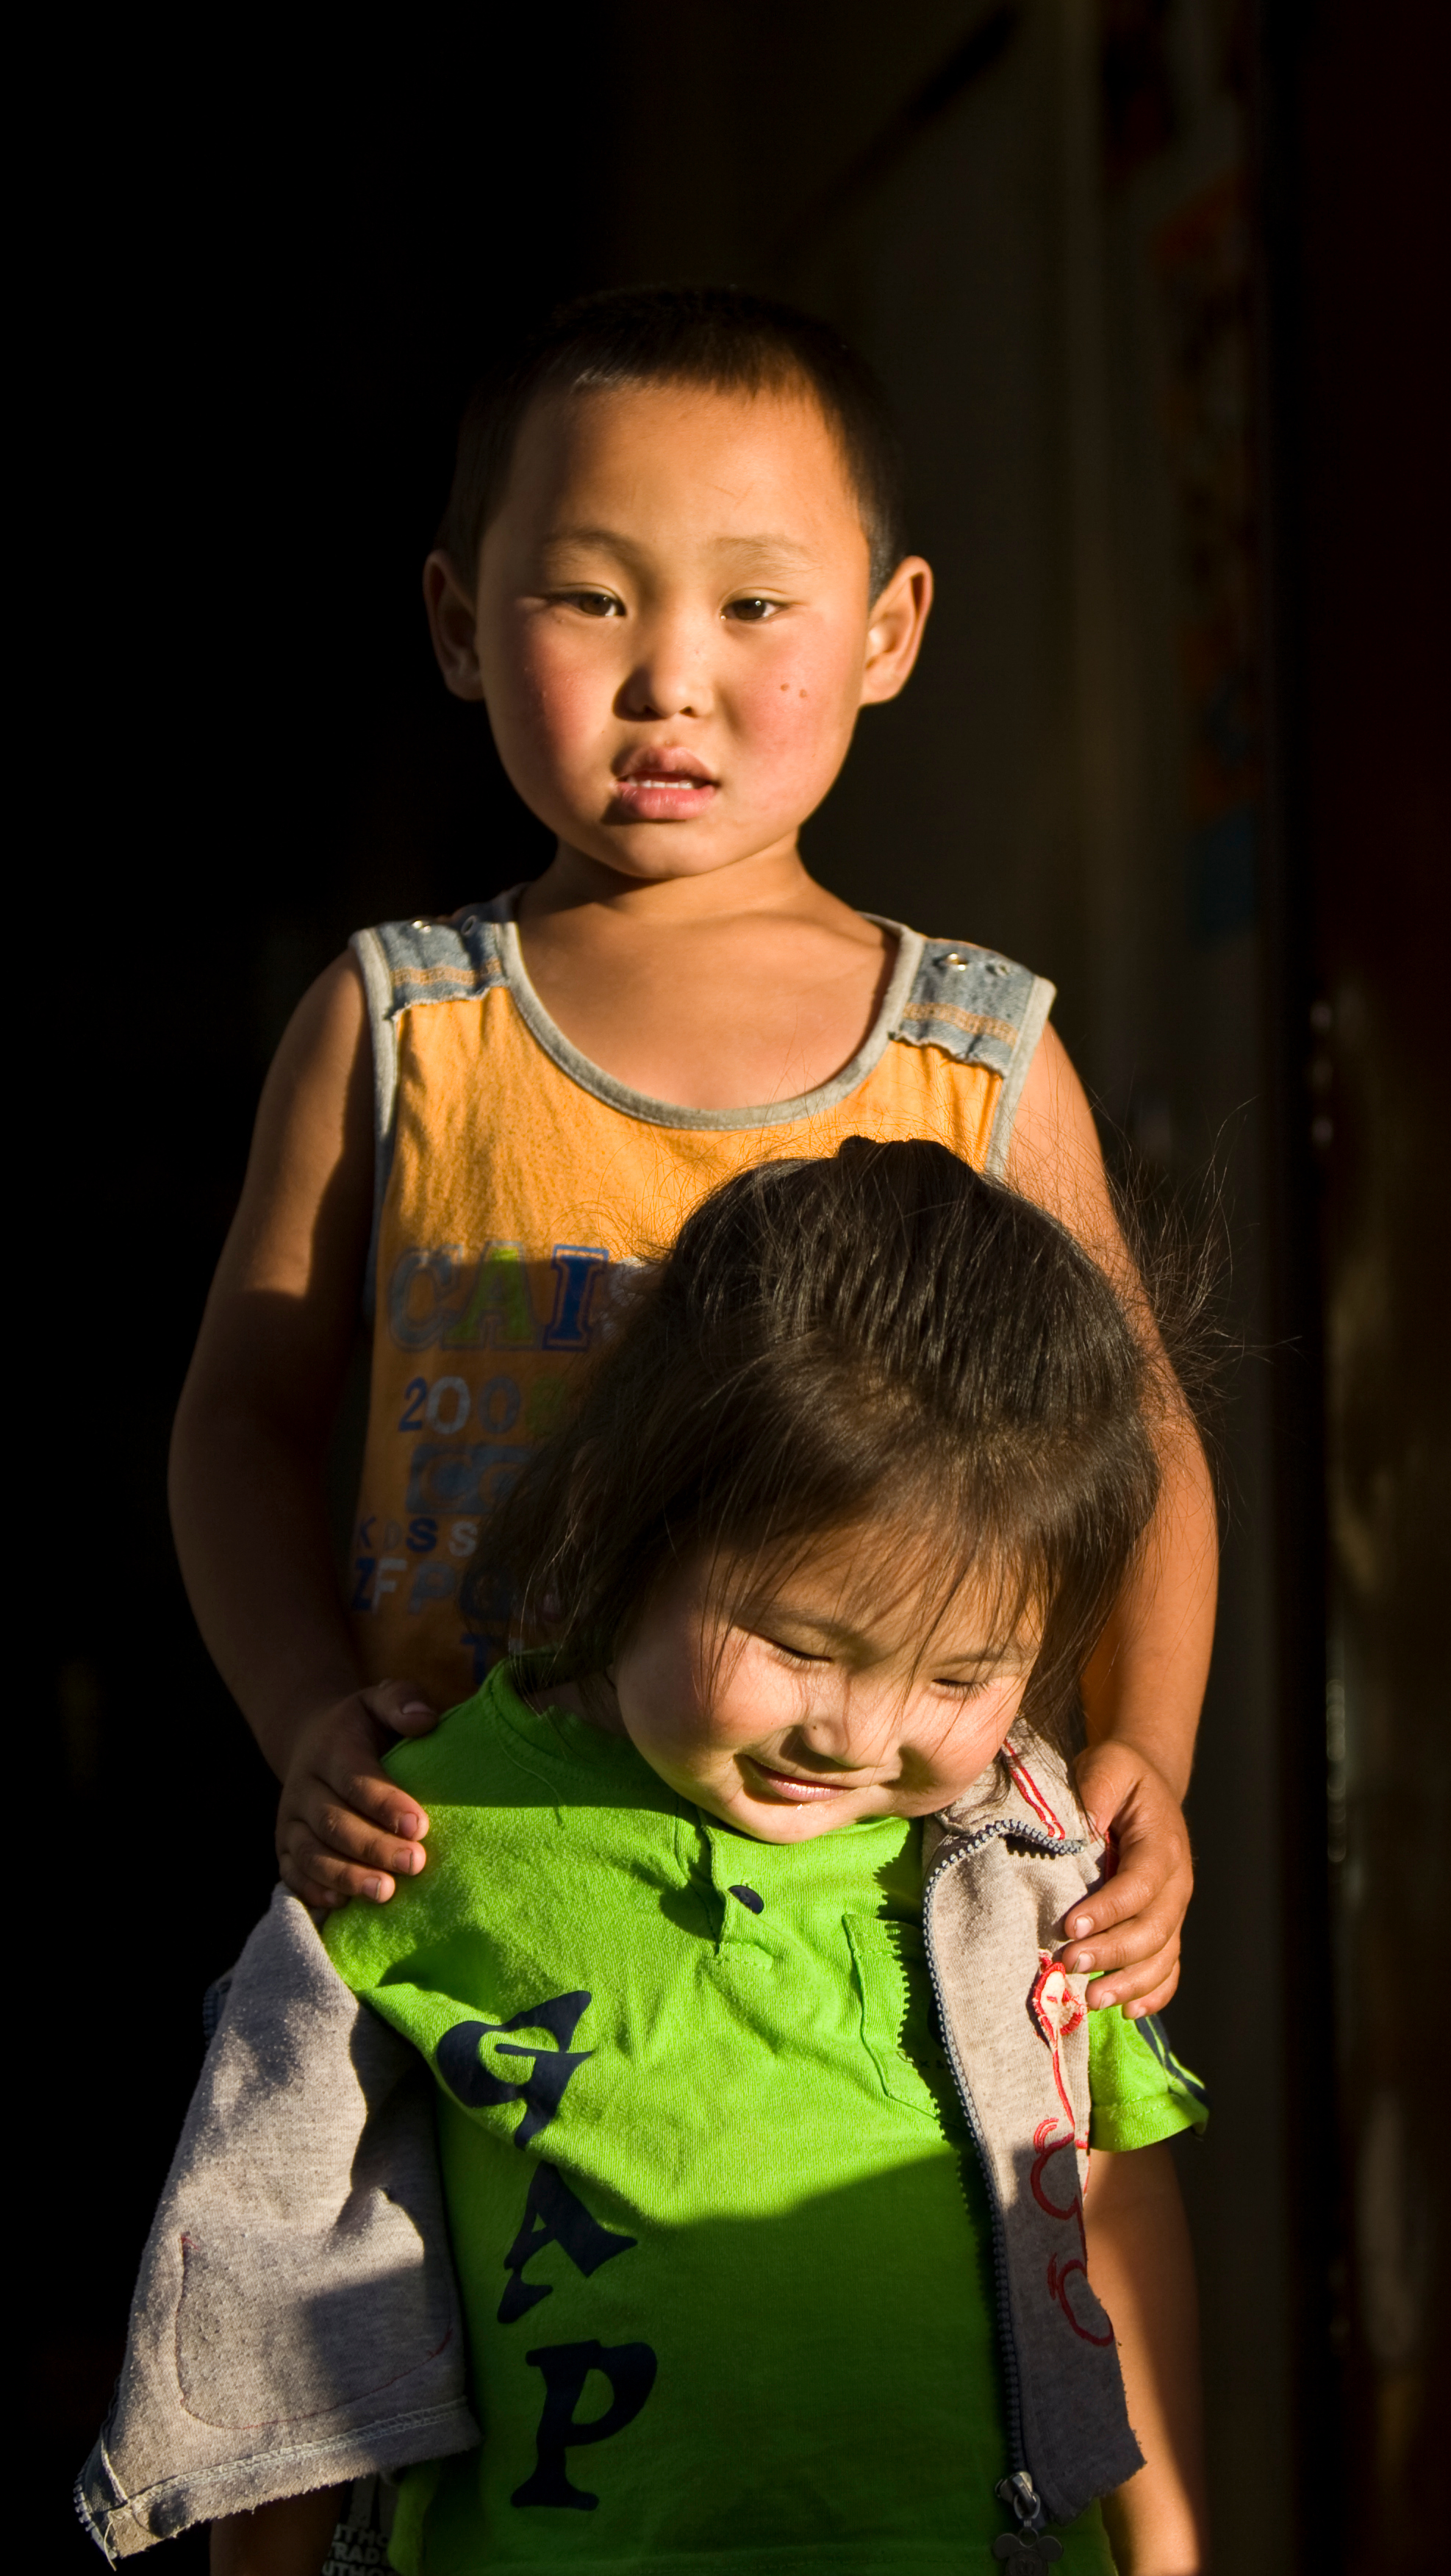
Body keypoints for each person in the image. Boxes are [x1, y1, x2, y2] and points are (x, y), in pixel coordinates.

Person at [168, 284, 1217, 2019]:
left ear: (886, 632)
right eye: (590, 598)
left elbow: (1142, 1444)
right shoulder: (401, 1030)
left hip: (877, 1915)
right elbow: (239, 1422)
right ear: (455, 620)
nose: (672, 677)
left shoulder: (975, 1059)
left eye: (753, 604)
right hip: (478, 1901)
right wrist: (304, 1717)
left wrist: (1149, 1753)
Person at [85, 1142, 1207, 2575]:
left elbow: (1106, 2189)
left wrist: (1168, 2542)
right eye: (799, 1645)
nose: (856, 1734)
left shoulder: (1025, 1861)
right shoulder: (431, 1834)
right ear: (634, 1514)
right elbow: (282, 2260)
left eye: (960, 1676)